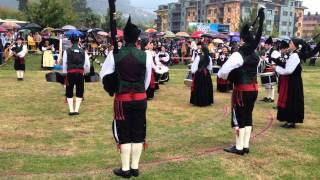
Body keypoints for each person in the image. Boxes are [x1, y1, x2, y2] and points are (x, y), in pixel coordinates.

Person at [100, 17, 152, 178]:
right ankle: (134, 167)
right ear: (137, 39)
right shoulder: (146, 56)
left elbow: (104, 76)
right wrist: (139, 91)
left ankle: (125, 169)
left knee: (124, 133)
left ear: (123, 38)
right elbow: (147, 79)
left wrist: (115, 85)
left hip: (122, 100)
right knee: (137, 132)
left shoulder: (114, 54)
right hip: (140, 98)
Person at [218, 7, 265, 155]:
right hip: (254, 89)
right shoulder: (257, 55)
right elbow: (256, 70)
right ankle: (245, 145)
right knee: (248, 116)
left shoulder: (239, 54)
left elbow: (223, 71)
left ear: (242, 39)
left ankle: (238, 147)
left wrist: (228, 77)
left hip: (242, 91)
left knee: (239, 117)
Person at [274, 38, 319, 128]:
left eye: (291, 43)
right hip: (292, 81)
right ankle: (289, 120)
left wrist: (276, 68)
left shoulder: (295, 55)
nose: (289, 44)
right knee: (289, 100)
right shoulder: (293, 54)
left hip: (293, 82)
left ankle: (291, 121)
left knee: (292, 100)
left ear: (295, 45)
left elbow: (289, 70)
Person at [62, 36, 90, 116]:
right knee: (79, 91)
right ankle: (76, 110)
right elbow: (87, 65)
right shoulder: (83, 51)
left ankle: (71, 110)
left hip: (70, 73)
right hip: (80, 74)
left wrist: (65, 74)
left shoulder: (66, 51)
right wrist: (84, 72)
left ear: (71, 42)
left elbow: (64, 64)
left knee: (69, 91)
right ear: (78, 41)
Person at [260, 36, 278, 103]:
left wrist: (265, 59)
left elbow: (275, 61)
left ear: (270, 45)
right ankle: (267, 97)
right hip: (266, 68)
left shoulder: (274, 52)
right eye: (265, 45)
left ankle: (272, 98)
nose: (265, 46)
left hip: (271, 69)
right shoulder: (267, 51)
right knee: (267, 84)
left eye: (266, 45)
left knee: (271, 84)